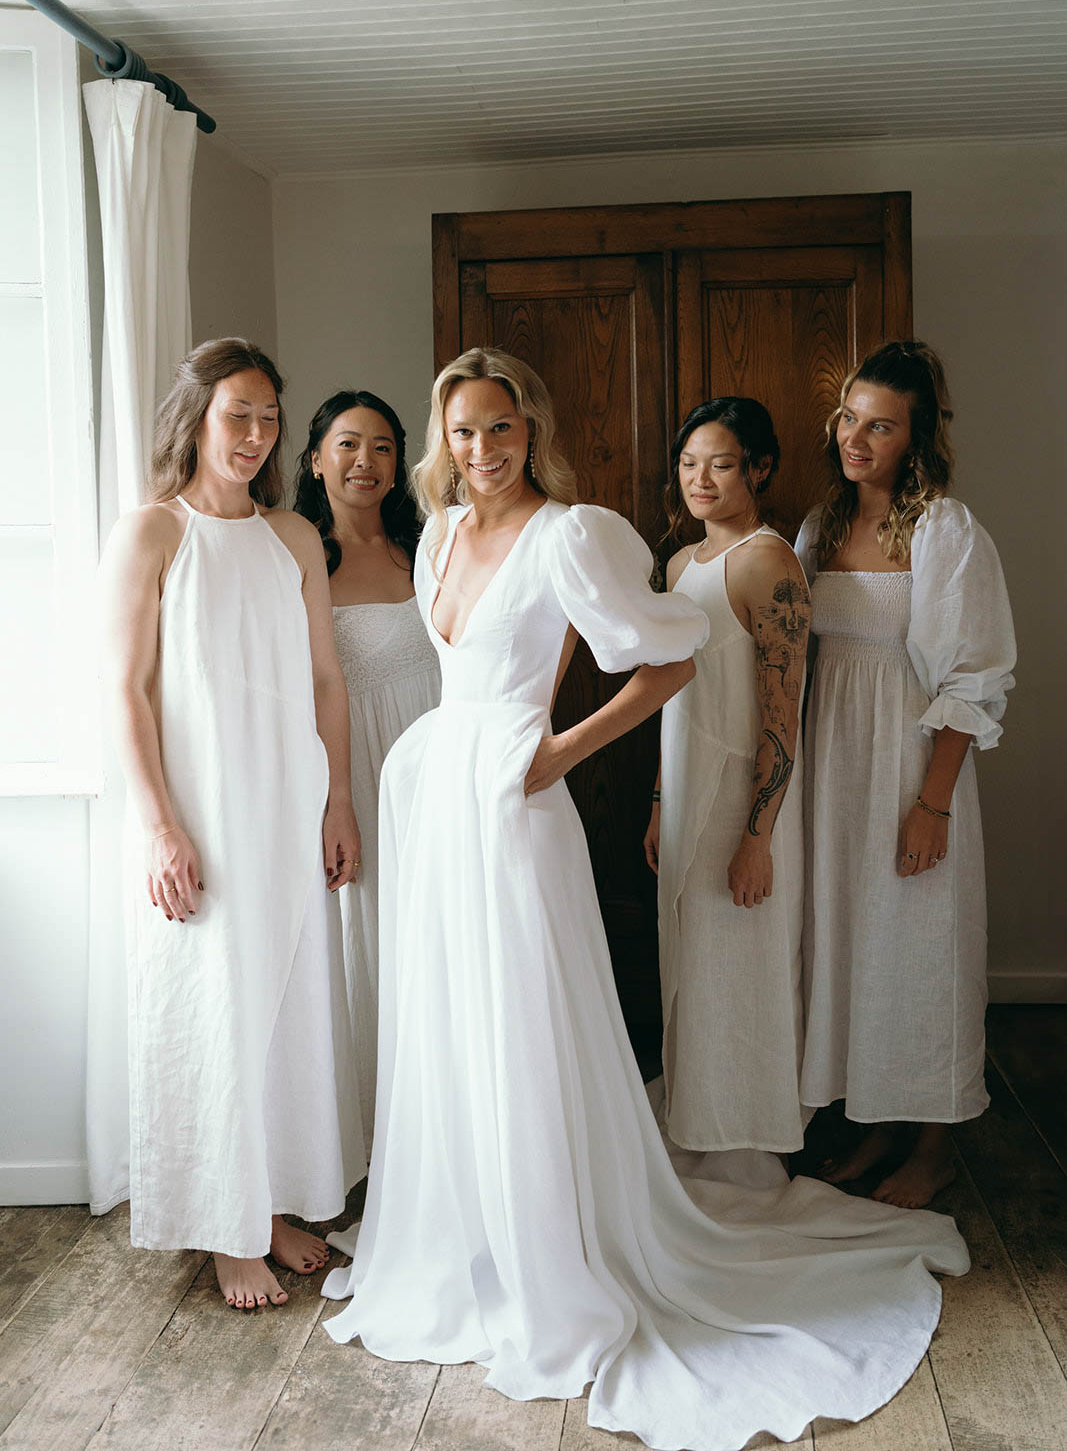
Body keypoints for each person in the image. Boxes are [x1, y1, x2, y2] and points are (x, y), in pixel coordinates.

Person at [320, 346, 968, 1451]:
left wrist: (554, 751)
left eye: (502, 427)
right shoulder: (434, 531)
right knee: (450, 1022)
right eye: (464, 431)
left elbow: (663, 661)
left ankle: (553, 1247)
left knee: (523, 1025)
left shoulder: (570, 534)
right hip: (431, 797)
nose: (482, 450)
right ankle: (465, 1231)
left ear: (532, 427)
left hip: (513, 803)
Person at [99, 338, 363, 1310]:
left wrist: (337, 799)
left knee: (283, 1006)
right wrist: (160, 827)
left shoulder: (293, 537)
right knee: (211, 1008)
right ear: (198, 419)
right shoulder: (152, 534)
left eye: (267, 418)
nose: (254, 436)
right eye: (236, 415)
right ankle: (221, 1225)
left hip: (286, 802)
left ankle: (272, 1202)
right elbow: (124, 690)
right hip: (201, 811)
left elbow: (327, 681)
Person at [796, 340, 1016, 1209]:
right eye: (848, 417)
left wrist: (932, 804)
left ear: (914, 438)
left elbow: (975, 676)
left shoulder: (944, 530)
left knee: (921, 949)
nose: (856, 437)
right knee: (853, 945)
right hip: (832, 767)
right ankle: (876, 1122)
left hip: (908, 767)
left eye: (879, 425)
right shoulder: (818, 527)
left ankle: (932, 1145)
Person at [646, 399, 809, 1176]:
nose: (698, 479)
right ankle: (695, 1116)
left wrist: (757, 838)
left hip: (742, 801)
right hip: (684, 791)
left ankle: (741, 1142)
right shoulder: (681, 566)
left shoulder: (767, 562)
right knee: (687, 967)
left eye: (718, 463)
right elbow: (668, 693)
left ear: (758, 469)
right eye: (687, 464)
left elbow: (783, 716)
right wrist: (655, 802)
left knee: (737, 969)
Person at [294, 391, 440, 1164]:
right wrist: (332, 801)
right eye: (347, 445)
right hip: (359, 775)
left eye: (382, 447)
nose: (365, 462)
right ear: (315, 459)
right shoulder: (297, 557)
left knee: (441, 943)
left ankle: (444, 1128)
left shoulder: (431, 547)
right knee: (374, 947)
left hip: (438, 765)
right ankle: (380, 1145)